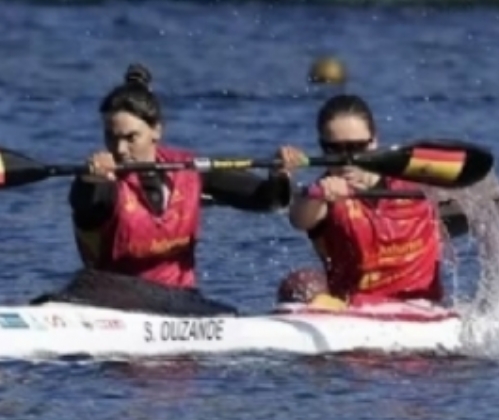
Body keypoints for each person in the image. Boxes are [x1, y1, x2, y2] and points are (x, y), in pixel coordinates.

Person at [60, 64, 291, 312]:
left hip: (179, 303)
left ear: (156, 131)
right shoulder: (105, 183)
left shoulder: (190, 169)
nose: (119, 149)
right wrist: (88, 181)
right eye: (111, 137)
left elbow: (269, 200)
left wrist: (279, 176)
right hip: (111, 303)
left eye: (130, 138)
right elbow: (84, 203)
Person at [281, 94, 447, 308]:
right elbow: (299, 219)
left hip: (423, 309)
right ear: (322, 147)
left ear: (374, 141)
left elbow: (474, 208)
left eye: (356, 147)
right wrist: (314, 192)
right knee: (299, 284)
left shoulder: (417, 183)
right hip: (357, 314)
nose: (346, 159)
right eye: (334, 149)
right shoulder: (323, 195)